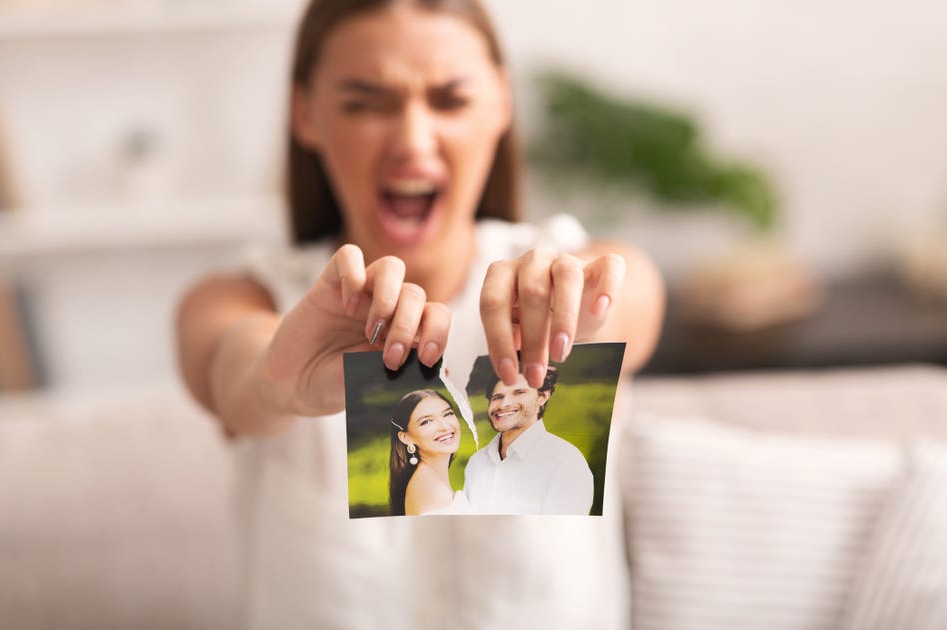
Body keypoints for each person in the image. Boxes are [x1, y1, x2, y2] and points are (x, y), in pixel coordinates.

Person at [175, 0, 665, 627]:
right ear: (306, 113)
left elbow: (634, 294)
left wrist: (584, 306)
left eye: (450, 100)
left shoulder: (562, 270)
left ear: (501, 103)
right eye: (364, 103)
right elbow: (234, 367)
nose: (411, 141)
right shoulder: (244, 299)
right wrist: (277, 383)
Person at [465, 365, 594, 515]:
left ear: (543, 396)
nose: (504, 404)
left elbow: (563, 534)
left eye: (519, 393)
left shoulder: (565, 461)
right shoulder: (477, 462)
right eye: (497, 397)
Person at [389, 389, 472, 515]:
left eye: (447, 414)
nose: (444, 426)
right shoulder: (432, 490)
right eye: (426, 421)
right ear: (406, 437)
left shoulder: (427, 479)